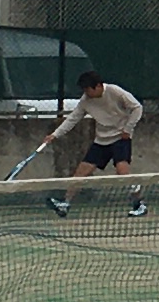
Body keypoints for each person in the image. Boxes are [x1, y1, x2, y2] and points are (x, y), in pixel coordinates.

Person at [43, 70, 146, 217]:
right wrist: (55, 134)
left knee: (122, 170)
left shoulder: (115, 91)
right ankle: (65, 203)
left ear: (98, 86)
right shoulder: (86, 100)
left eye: (88, 89)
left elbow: (137, 107)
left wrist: (128, 129)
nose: (86, 93)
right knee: (81, 171)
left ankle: (139, 204)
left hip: (120, 138)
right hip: (101, 141)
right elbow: (73, 118)